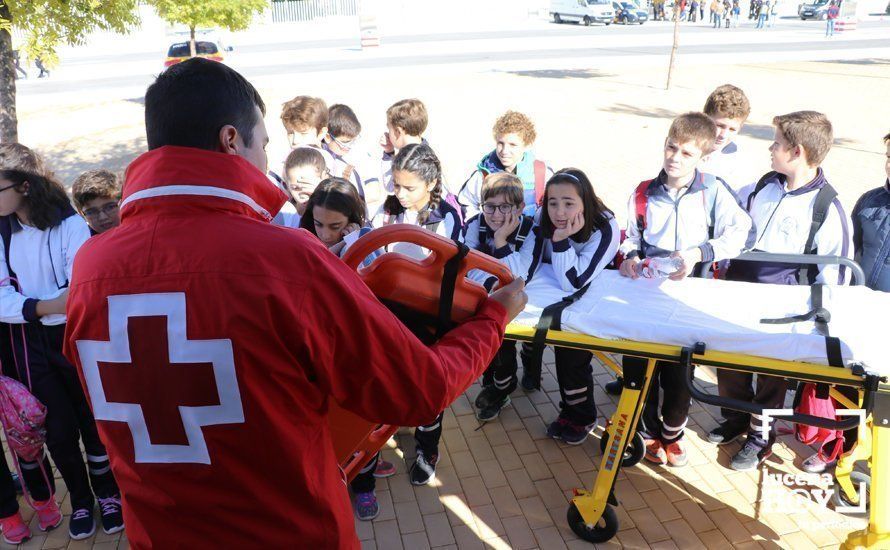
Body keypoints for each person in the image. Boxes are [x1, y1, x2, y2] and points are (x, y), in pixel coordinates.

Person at [62, 58, 526, 549]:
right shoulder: (285, 259)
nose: (266, 159)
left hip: (160, 535)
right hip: (288, 531)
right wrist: (494, 317)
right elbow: (420, 389)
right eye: (262, 142)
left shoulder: (90, 266)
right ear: (231, 141)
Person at [713, 111, 851, 472]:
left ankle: (762, 436)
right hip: (741, 289)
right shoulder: (765, 185)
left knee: (771, 378)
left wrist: (819, 320)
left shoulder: (826, 207)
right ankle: (737, 418)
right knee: (729, 363)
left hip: (783, 304)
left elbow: (833, 273)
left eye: (776, 143)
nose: (770, 149)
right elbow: (737, 221)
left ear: (798, 151)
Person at [0, 144, 124, 540]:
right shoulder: (2, 229)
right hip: (27, 344)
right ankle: (82, 501)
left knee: (92, 422)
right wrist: (44, 304)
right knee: (56, 430)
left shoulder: (70, 224)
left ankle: (108, 494)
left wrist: (30, 304)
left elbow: (79, 295)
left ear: (24, 185)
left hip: (75, 336)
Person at [617, 112, 753, 467]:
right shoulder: (643, 192)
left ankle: (673, 433)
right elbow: (631, 236)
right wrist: (631, 257)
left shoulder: (714, 192)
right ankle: (646, 432)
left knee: (679, 373)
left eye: (687, 153)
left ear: (704, 158)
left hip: (690, 292)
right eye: (670, 147)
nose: (675, 158)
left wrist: (698, 254)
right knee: (639, 366)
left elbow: (740, 234)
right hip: (646, 295)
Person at [298, 178, 394, 520]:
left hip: (356, 351)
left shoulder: (368, 241)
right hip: (319, 353)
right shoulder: (302, 238)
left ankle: (365, 485)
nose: (325, 234)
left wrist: (354, 240)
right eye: (319, 224)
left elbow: (375, 278)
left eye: (335, 226)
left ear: (353, 220)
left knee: (362, 426)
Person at [370, 142, 463, 486]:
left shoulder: (448, 216)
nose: (401, 194)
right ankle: (374, 447)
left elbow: (443, 272)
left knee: (427, 387)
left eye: (409, 187)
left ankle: (428, 448)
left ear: (431, 182)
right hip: (391, 305)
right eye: (396, 185)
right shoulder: (389, 208)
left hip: (427, 313)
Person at [519, 169, 620, 445]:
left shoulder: (605, 226)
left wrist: (561, 239)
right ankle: (533, 372)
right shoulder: (542, 216)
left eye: (568, 203)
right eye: (553, 203)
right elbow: (530, 262)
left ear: (585, 202)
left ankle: (582, 415)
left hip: (588, 300)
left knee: (571, 356)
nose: (559, 212)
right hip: (548, 298)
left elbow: (572, 281)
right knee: (530, 334)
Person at [464, 172, 537, 421]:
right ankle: (495, 385)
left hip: (524, 299)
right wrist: (490, 283)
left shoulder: (531, 231)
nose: (495, 215)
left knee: (510, 344)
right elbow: (468, 265)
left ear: (520, 208)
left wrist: (500, 240)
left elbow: (519, 273)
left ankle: (508, 384)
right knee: (491, 344)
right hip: (487, 293)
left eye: (505, 207)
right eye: (490, 206)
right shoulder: (475, 224)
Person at [457, 110, 553, 220]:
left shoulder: (542, 174)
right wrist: (479, 226)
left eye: (513, 145)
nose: (504, 151)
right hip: (491, 235)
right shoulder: (483, 174)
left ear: (527, 145)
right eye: (500, 143)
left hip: (531, 235)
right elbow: (467, 202)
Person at [322, 104, 386, 216]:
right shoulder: (320, 154)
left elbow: (374, 194)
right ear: (327, 137)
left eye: (353, 140)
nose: (350, 146)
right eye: (345, 142)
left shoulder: (360, 156)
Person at [379, 98, 428, 194]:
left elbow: (391, 187)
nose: (388, 133)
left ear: (398, 131)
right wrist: (389, 149)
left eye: (389, 129)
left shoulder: (409, 160)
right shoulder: (425, 150)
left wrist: (388, 155)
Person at [274, 146, 329, 228]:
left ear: (324, 178)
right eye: (296, 188)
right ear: (286, 185)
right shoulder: (284, 214)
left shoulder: (332, 211)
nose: (303, 194)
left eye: (309, 186)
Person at [71, 170, 122, 235]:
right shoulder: (82, 241)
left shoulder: (137, 230)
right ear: (81, 214)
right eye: (92, 212)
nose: (103, 217)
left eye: (110, 207)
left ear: (122, 202)